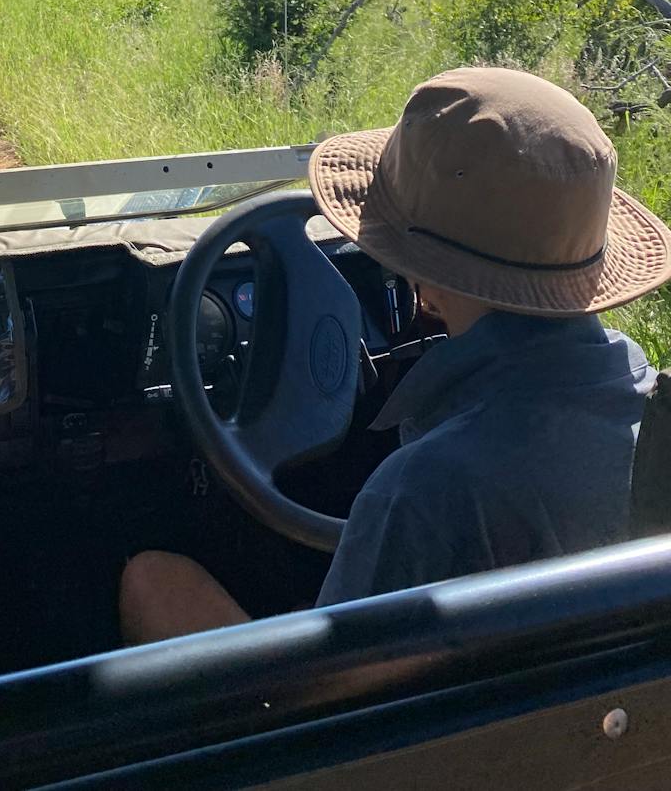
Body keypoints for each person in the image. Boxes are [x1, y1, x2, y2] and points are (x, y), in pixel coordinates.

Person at [120, 66, 671, 646]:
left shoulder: (425, 491)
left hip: (375, 727)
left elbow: (329, 694)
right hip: (565, 715)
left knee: (153, 581)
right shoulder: (651, 418)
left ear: (426, 285)